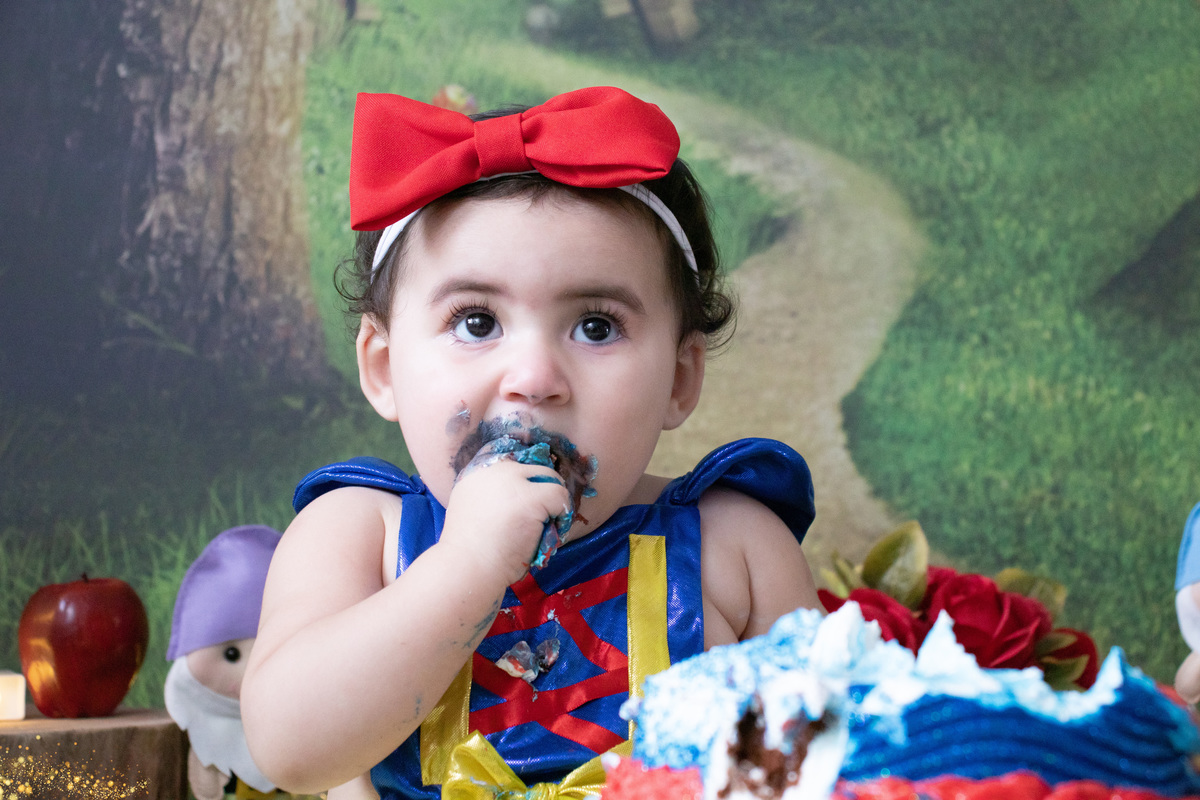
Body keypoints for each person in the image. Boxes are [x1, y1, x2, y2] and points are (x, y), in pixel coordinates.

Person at [241, 86, 820, 799]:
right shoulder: (359, 536)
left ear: (678, 377)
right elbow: (290, 750)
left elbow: (834, 765)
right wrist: (468, 562)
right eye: (478, 322)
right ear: (384, 369)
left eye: (596, 326)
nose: (536, 378)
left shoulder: (738, 549)